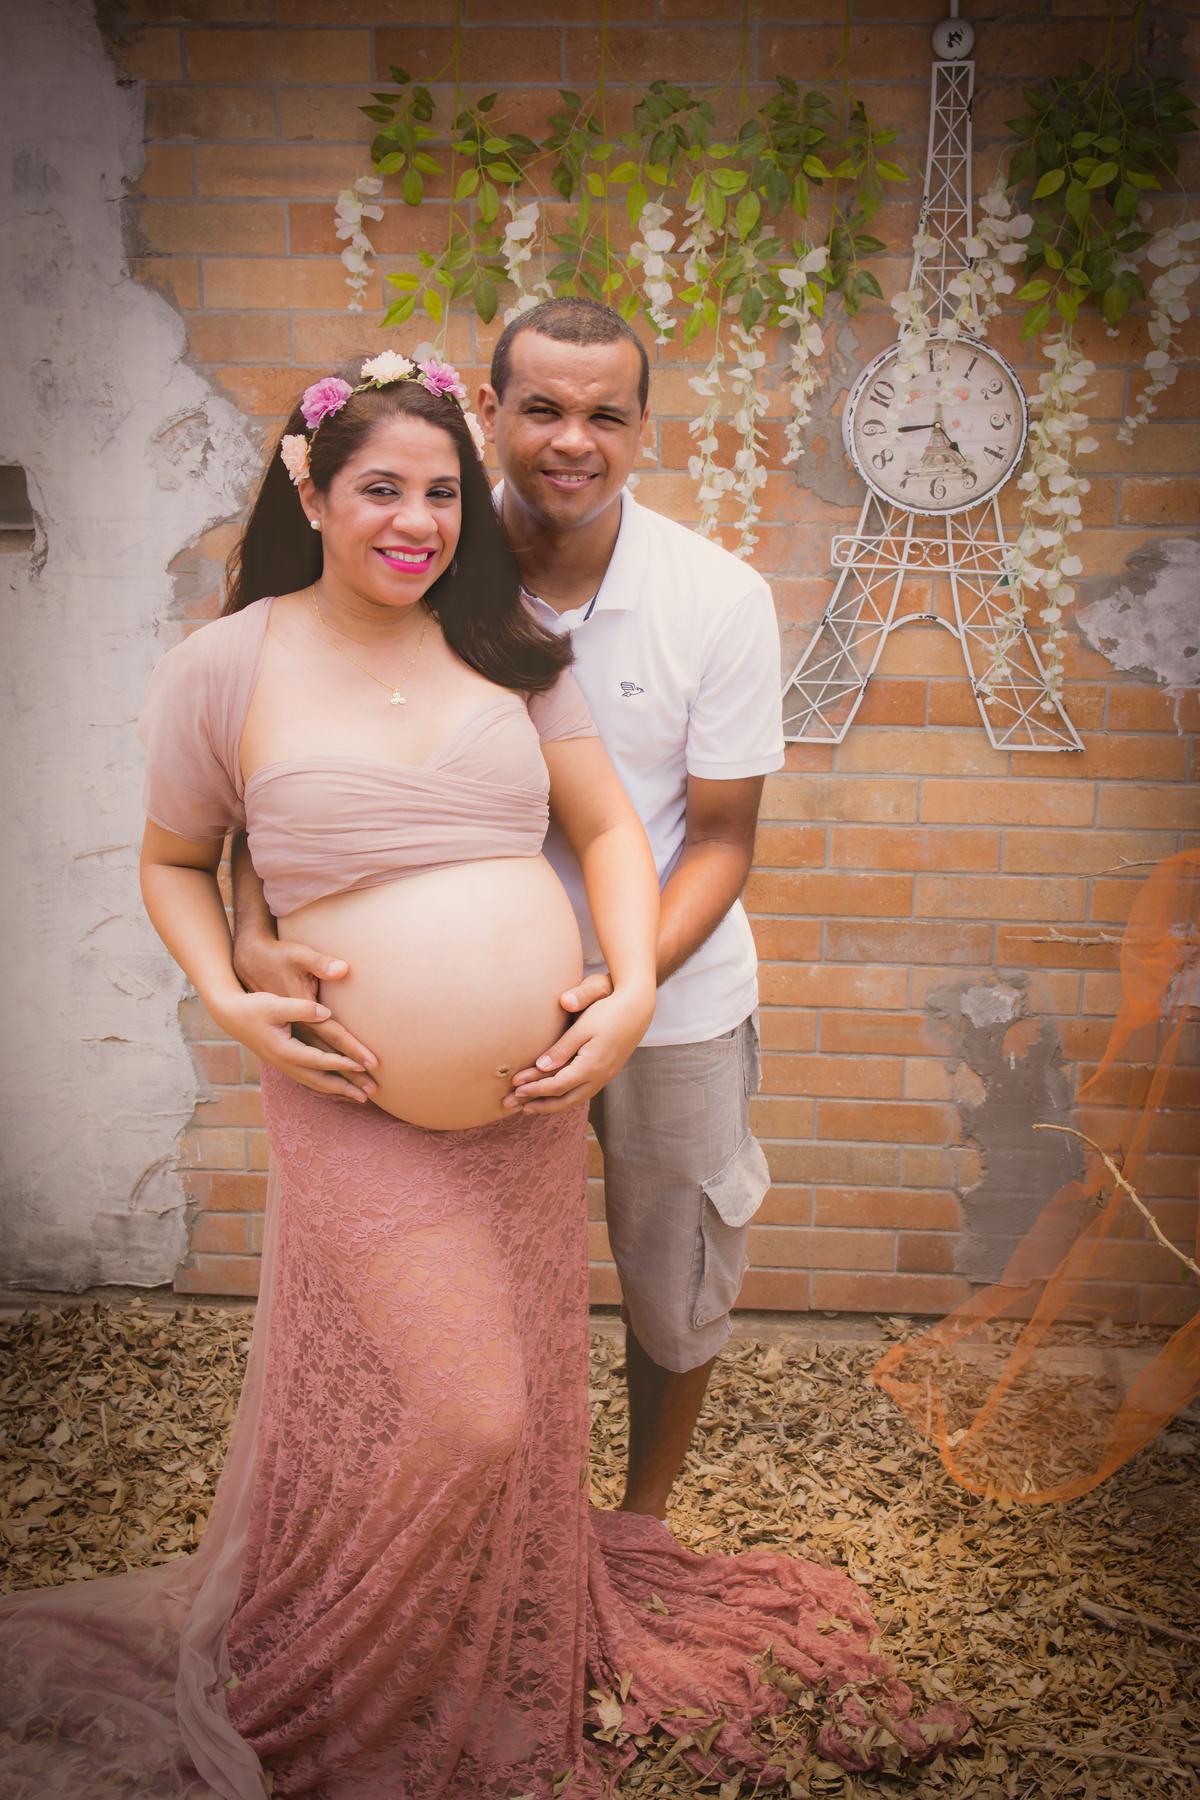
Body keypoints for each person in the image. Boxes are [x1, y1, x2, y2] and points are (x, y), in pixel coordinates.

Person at [0, 353, 964, 1799]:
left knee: (498, 1402)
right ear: (310, 491)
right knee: (472, 1412)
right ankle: (326, 1664)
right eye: (381, 488)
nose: (418, 520)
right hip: (347, 1099)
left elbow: (615, 832)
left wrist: (633, 983)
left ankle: (463, 1631)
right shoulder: (228, 664)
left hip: (525, 1108)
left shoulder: (504, 635)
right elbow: (172, 861)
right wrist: (226, 994)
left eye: (442, 492)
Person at [234, 298, 785, 1522]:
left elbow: (724, 836)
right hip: (451, 1026)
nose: (571, 440)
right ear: (489, 412)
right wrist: (245, 916)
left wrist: (624, 984)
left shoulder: (720, 597)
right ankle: (462, 1534)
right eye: (540, 407)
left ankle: (638, 1524)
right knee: (461, 1302)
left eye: (606, 415)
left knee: (672, 1272)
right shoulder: (415, 552)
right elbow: (263, 754)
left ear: (645, 429)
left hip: (672, 997)